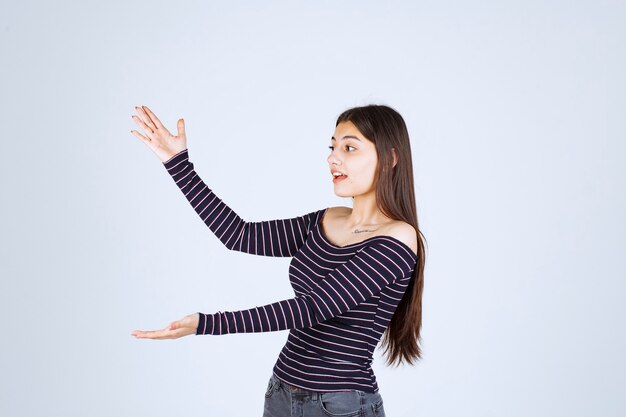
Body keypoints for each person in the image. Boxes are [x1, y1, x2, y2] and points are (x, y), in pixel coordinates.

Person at [129, 104, 426, 417]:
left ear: (390, 158)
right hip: (282, 391)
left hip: (339, 405)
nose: (333, 158)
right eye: (332, 147)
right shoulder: (327, 220)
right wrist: (179, 166)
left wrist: (207, 323)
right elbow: (239, 234)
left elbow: (311, 308)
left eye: (349, 148)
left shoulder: (399, 238)